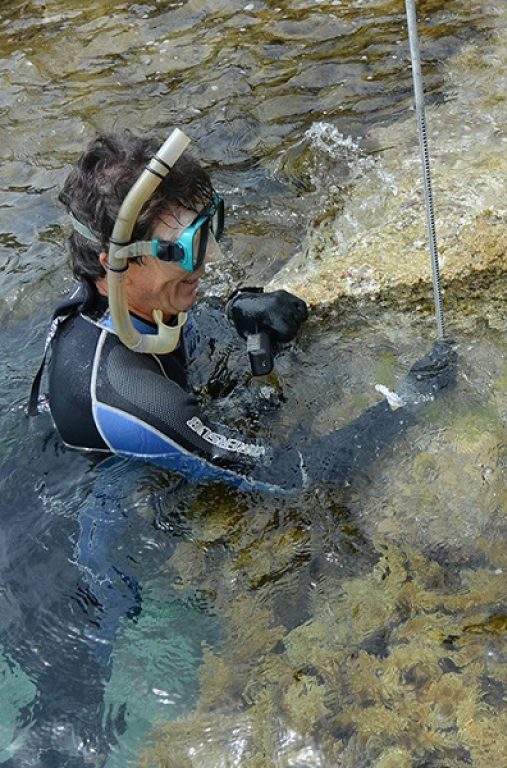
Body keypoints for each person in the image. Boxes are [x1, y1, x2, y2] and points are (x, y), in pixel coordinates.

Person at [2, 130, 455, 766]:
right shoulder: (125, 395)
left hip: (78, 484)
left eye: (207, 228)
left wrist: (239, 319)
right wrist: (409, 403)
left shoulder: (125, 307)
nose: (206, 259)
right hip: (71, 590)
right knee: (71, 740)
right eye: (186, 247)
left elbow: (184, 338)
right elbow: (295, 475)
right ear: (116, 262)